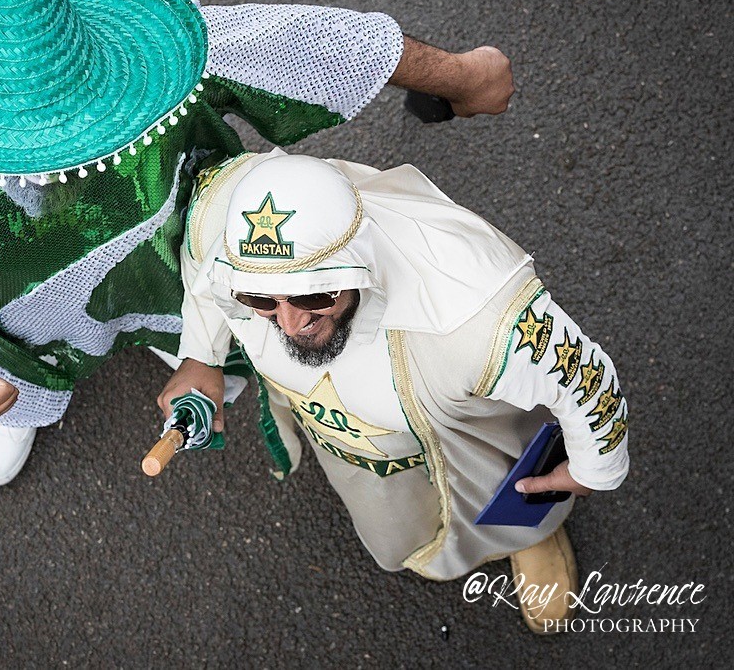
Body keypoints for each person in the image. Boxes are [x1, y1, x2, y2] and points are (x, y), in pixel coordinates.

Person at [0, 0, 514, 487]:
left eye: (78, 130)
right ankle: (17, 404)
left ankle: (195, 355)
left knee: (221, 346)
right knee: (4, 399)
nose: (51, 163)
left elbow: (311, 46)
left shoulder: (167, 73)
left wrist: (462, 75)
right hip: (9, 334)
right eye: (17, 146)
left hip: (177, 280)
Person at [159, 151, 629, 633]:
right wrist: (201, 353)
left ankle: (529, 536)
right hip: (347, 446)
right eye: (260, 299)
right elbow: (205, 263)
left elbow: (586, 379)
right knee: (388, 522)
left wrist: (592, 468)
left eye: (313, 295)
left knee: (505, 487)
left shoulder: (478, 317)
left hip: (467, 444)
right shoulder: (228, 216)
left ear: (358, 260)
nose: (291, 324)